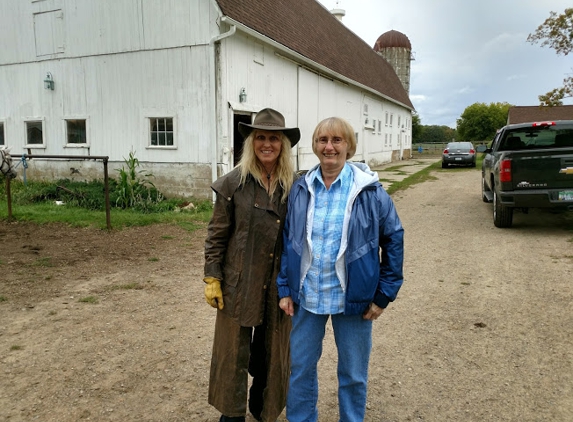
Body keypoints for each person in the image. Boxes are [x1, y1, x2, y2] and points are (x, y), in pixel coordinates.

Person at [276, 116, 404, 422]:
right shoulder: (301, 188)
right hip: (308, 295)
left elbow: (394, 238)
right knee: (301, 369)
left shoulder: (369, 191)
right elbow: (289, 241)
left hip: (354, 300)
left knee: (353, 373)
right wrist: (285, 288)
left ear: (349, 146)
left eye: (337, 140)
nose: (329, 147)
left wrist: (384, 293)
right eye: (322, 140)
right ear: (315, 146)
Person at [203, 108, 300, 422]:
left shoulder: (294, 186)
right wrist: (212, 277)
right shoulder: (233, 183)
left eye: (274, 138)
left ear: (283, 144)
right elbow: (217, 234)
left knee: (272, 353)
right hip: (238, 282)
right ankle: (232, 416)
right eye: (261, 137)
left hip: (279, 284)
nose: (267, 144)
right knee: (234, 353)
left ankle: (263, 409)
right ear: (252, 142)